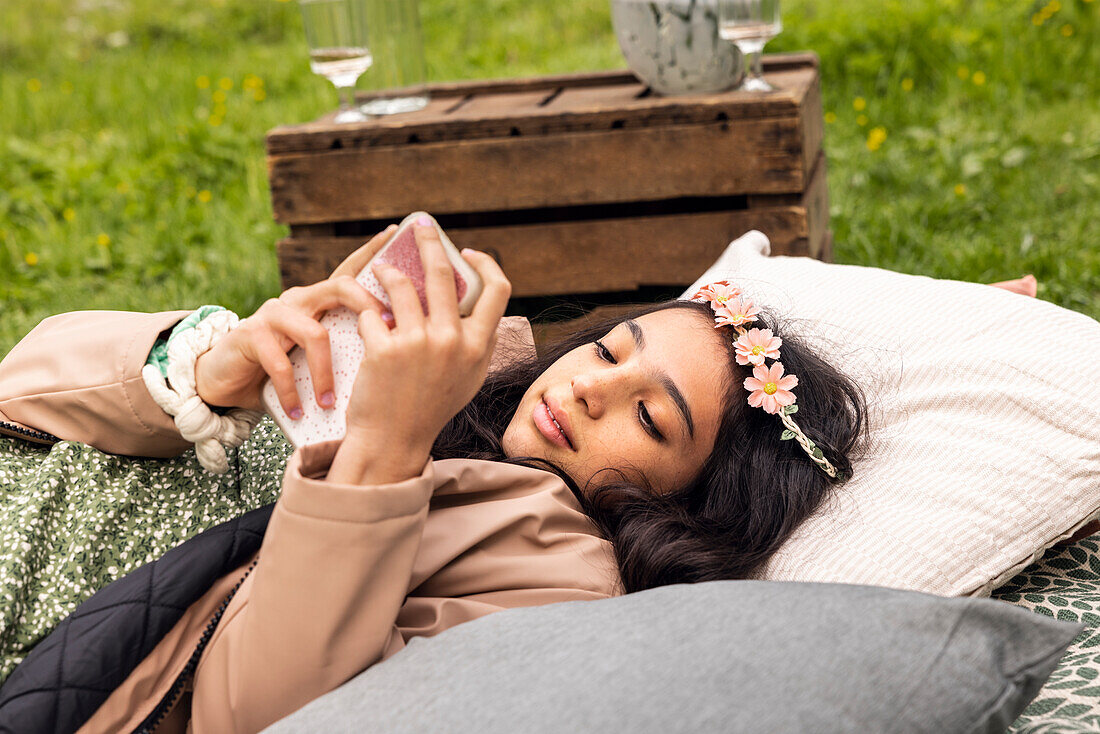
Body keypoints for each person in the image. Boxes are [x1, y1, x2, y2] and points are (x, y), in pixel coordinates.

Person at [0, 220, 866, 733]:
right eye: (609, 348)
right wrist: (210, 371)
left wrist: (382, 449)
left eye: (650, 418)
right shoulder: (467, 375)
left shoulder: (560, 584)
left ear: (694, 503)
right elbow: (24, 381)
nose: (593, 385)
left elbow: (255, 713)